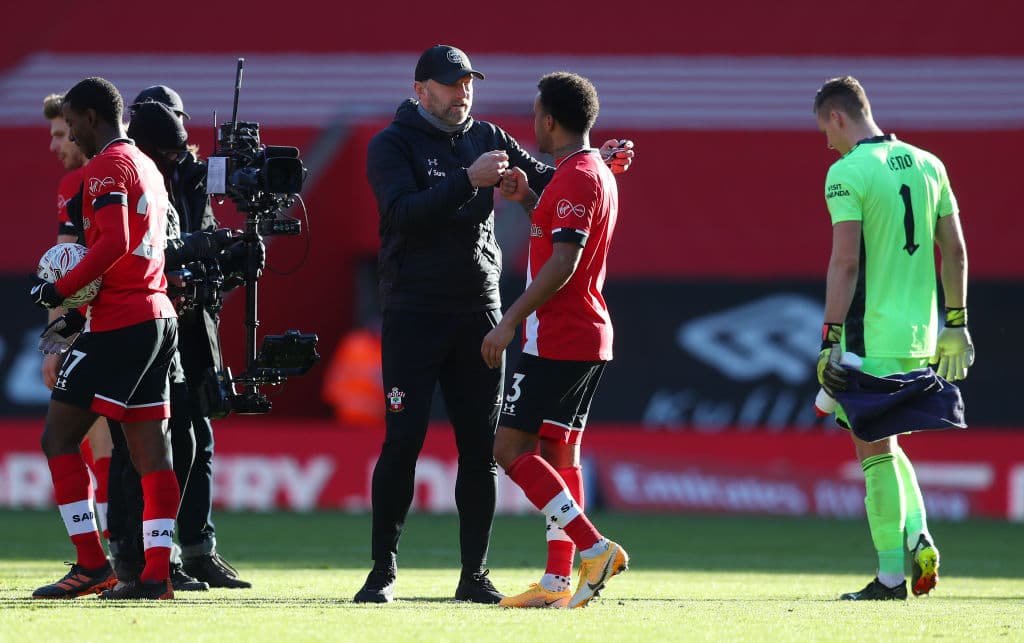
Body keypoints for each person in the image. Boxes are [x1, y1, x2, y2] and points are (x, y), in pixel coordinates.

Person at [358, 44, 633, 604]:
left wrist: (596, 158)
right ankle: (383, 571)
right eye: (450, 82)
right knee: (402, 442)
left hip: (478, 312)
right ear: (421, 91)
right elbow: (400, 214)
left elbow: (555, 185)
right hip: (413, 309)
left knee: (481, 447)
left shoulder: (489, 137)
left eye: (469, 82)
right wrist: (466, 180)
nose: (464, 92)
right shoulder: (391, 144)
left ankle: (473, 575)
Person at [812, 76, 975, 600]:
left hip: (868, 335)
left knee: (873, 452)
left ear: (838, 116)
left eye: (824, 129)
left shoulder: (846, 172)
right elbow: (955, 252)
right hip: (920, 334)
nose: (826, 141)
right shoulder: (930, 164)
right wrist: (957, 322)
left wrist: (828, 337)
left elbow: (845, 260)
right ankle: (918, 534)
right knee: (888, 443)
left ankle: (888, 577)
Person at [29, 76, 180, 600]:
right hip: (158, 316)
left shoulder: (105, 167)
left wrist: (60, 290)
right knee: (150, 452)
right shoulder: (148, 168)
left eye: (72, 125)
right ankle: (156, 575)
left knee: (58, 437)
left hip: (122, 320)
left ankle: (92, 565)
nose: (71, 136)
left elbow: (113, 240)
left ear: (91, 117)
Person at [480, 71, 626, 609]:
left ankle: (594, 547)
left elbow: (562, 263)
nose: (532, 122)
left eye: (535, 112)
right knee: (561, 454)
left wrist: (510, 319)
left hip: (558, 336)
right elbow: (560, 240)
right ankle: (560, 581)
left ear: (549, 120)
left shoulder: (577, 179)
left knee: (509, 447)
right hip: (586, 335)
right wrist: (526, 199)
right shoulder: (592, 173)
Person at [102, 94, 254, 590]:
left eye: (181, 140)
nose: (178, 154)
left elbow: (206, 243)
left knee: (192, 440)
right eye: (170, 147)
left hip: (189, 324)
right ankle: (133, 556)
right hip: (141, 321)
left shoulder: (190, 176)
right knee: (139, 446)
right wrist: (192, 251)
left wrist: (230, 261)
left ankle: (188, 551)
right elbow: (127, 252)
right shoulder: (122, 174)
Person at [41, 93, 114, 543]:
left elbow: (63, 270)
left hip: (95, 326)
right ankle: (141, 550)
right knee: (124, 445)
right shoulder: (132, 168)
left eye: (59, 133)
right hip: (145, 318)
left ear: (80, 126)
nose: (54, 145)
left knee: (75, 440)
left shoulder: (79, 182)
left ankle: (104, 555)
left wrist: (55, 341)